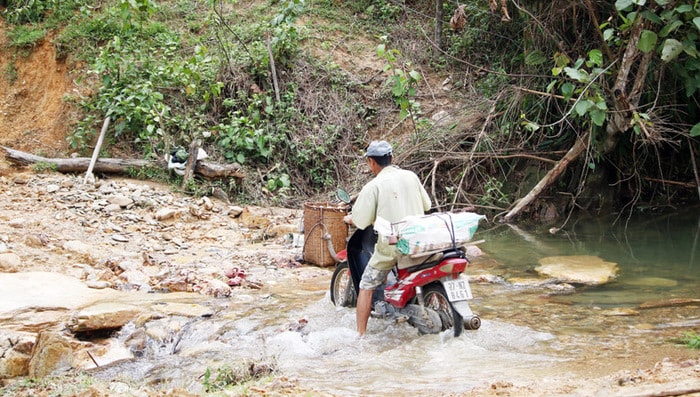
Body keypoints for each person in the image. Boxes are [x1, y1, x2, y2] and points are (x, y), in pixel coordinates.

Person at [343, 140, 431, 336]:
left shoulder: (374, 186)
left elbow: (362, 220)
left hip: (394, 246)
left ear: (371, 162)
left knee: (366, 285)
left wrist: (350, 218)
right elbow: (427, 204)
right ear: (392, 158)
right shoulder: (411, 176)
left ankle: (360, 336)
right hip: (420, 241)